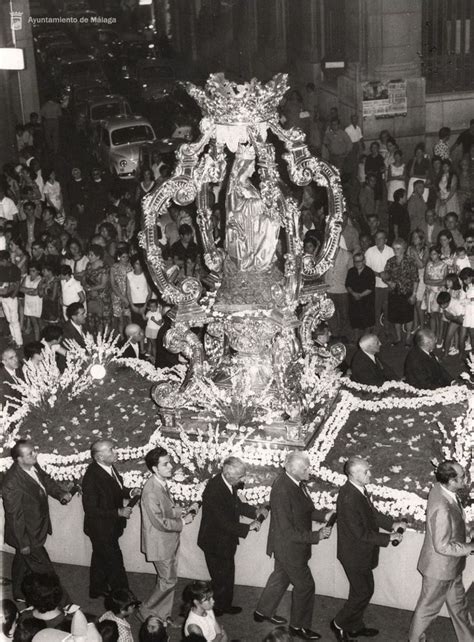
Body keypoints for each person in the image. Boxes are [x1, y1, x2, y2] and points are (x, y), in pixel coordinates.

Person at [255, 452, 334, 641]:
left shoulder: (296, 483)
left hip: (289, 546)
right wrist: (317, 535)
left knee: (281, 578)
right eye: (305, 468)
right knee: (306, 586)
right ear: (291, 469)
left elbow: (305, 510)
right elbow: (287, 531)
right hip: (289, 548)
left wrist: (323, 516)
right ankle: (299, 627)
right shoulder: (283, 489)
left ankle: (262, 612)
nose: (310, 470)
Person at [331, 457, 405, 641]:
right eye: (366, 471)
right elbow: (360, 533)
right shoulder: (349, 497)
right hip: (354, 554)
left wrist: (392, 524)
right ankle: (339, 623)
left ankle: (355, 626)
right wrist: (389, 537)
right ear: (354, 474)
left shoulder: (359, 490)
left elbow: (371, 515)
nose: (370, 474)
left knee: (365, 590)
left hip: (361, 553)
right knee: (362, 592)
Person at [408, 460, 474, 642]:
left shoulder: (440, 488)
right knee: (427, 609)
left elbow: (456, 519)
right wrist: (471, 546)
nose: (465, 479)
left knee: (459, 606)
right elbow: (442, 545)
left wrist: (468, 530)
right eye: (462, 477)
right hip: (440, 569)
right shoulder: (442, 507)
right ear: (451, 481)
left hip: (452, 566)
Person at [2, 439, 72, 604]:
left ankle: (18, 592)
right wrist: (23, 542)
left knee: (22, 560)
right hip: (27, 534)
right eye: (30, 453)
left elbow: (45, 481)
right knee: (46, 570)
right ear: (19, 459)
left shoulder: (32, 466)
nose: (35, 454)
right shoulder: (11, 482)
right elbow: (15, 516)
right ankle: (66, 604)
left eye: (34, 450)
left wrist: (60, 493)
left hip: (35, 527)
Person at [198, 456, 263, 616]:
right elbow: (222, 522)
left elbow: (236, 505)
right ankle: (217, 609)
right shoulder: (214, 489)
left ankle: (224, 604)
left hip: (224, 539)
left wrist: (254, 511)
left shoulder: (227, 483)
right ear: (228, 474)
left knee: (227, 573)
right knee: (220, 577)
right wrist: (249, 526)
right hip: (214, 541)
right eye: (240, 476)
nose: (243, 479)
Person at [139, 447, 196, 623]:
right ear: (155, 468)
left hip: (167, 541)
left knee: (168, 579)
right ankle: (145, 610)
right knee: (168, 581)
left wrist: (181, 511)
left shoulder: (159, 483)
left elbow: (166, 509)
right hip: (160, 543)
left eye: (169, 462)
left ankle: (162, 615)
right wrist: (183, 522)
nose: (171, 466)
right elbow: (159, 522)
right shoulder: (150, 491)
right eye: (166, 464)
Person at [81, 439, 141, 599]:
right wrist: (118, 512)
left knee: (101, 557)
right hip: (101, 529)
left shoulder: (108, 467)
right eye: (111, 450)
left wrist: (130, 492)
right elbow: (91, 510)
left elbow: (116, 490)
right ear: (99, 457)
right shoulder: (91, 478)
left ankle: (96, 589)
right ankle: (125, 598)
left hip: (109, 526)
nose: (116, 452)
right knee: (115, 564)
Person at [383, 239, 418, 345]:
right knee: (395, 316)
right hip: (394, 293)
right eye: (394, 248)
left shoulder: (411, 261)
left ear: (404, 249)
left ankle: (408, 338)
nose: (395, 250)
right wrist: (389, 282)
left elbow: (416, 279)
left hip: (407, 293)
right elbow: (385, 275)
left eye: (398, 248)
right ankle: (398, 338)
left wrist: (414, 294)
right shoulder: (390, 261)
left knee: (408, 316)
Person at [364, 231, 394, 341]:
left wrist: (386, 276)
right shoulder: (369, 251)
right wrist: (378, 274)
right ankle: (377, 328)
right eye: (376, 238)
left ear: (385, 240)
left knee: (387, 308)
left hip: (387, 285)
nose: (378, 240)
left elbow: (394, 268)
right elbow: (367, 269)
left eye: (381, 238)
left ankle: (387, 328)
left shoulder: (391, 251)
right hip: (375, 285)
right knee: (376, 308)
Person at [345, 252, 375, 341]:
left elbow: (371, 288)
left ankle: (365, 341)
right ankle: (356, 339)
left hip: (366, 300)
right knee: (355, 320)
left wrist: (360, 295)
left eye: (360, 261)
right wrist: (353, 293)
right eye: (355, 261)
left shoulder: (369, 272)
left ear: (364, 261)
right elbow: (347, 285)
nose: (358, 263)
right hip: (354, 299)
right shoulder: (351, 271)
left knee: (367, 321)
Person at [422, 246, 448, 345]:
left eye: (434, 254)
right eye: (431, 254)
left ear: (439, 254)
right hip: (431, 292)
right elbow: (425, 280)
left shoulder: (444, 265)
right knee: (432, 315)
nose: (432, 256)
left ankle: (440, 337)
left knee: (440, 316)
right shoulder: (428, 264)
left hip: (440, 292)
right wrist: (438, 282)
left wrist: (432, 282)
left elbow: (445, 281)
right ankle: (433, 336)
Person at [0, 250, 22, 348]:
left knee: (15, 320)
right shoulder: (1, 268)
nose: (1, 263)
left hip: (11, 297)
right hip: (3, 297)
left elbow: (17, 284)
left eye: (2, 261)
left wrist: (13, 296)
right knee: (9, 319)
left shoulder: (15, 269)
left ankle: (19, 342)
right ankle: (13, 337)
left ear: (8, 259)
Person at [126, 255, 151, 327]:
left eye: (140, 264)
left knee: (146, 326)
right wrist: (132, 306)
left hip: (145, 303)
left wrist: (145, 306)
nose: (139, 266)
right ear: (133, 264)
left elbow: (149, 292)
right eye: (137, 264)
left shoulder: (146, 275)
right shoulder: (129, 275)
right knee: (136, 326)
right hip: (134, 304)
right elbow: (128, 292)